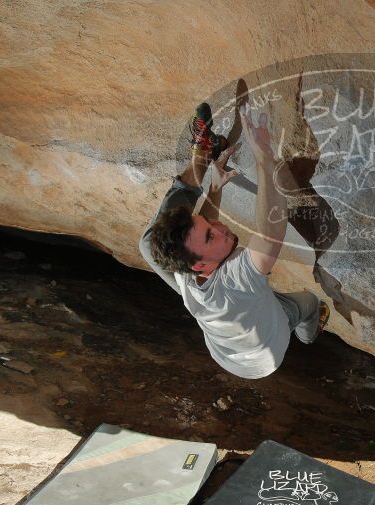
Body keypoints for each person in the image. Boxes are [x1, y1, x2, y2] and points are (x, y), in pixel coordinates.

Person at [139, 102, 329, 379]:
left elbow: (199, 234)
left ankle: (201, 158)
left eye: (209, 225)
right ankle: (309, 335)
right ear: (200, 266)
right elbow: (270, 231)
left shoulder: (187, 270)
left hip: (228, 342)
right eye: (211, 235)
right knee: (308, 304)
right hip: (266, 354)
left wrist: (215, 189)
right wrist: (263, 152)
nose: (220, 226)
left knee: (149, 244)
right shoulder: (236, 282)